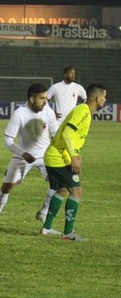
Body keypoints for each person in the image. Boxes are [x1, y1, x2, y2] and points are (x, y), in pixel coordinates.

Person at [0, 83, 59, 231]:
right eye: (42, 98)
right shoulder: (20, 113)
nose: (45, 101)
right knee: (6, 187)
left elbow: (56, 134)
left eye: (46, 98)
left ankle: (43, 213)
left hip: (45, 156)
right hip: (23, 156)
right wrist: (23, 153)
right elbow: (8, 140)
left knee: (58, 185)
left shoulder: (48, 112)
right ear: (31, 99)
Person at [41, 84, 106, 241]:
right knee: (76, 191)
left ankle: (46, 228)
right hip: (58, 157)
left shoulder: (85, 111)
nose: (105, 100)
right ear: (98, 99)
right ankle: (68, 234)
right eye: (104, 96)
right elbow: (67, 134)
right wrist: (74, 157)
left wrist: (76, 154)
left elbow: (73, 137)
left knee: (63, 190)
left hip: (57, 156)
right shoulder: (83, 111)